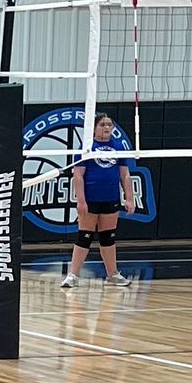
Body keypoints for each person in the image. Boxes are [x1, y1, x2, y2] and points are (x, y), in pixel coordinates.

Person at [63, 110, 137, 289]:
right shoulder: (86, 147)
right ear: (94, 128)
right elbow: (78, 176)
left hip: (110, 198)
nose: (107, 127)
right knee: (85, 237)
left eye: (109, 125)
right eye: (102, 124)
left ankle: (113, 274)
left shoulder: (118, 147)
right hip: (91, 199)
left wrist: (129, 198)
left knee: (108, 237)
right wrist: (81, 201)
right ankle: (73, 275)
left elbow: (125, 175)